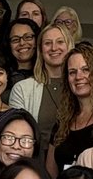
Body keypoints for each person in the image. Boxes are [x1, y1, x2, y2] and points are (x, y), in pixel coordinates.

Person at [9, 21, 72, 152]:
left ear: (70, 46)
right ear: (40, 50)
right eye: (48, 43)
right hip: (35, 163)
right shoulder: (22, 89)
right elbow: (18, 138)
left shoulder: (81, 85)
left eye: (60, 42)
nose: (54, 48)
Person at [49, 43, 93, 175]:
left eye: (86, 70)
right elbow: (50, 175)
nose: (78, 77)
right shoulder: (61, 124)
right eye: (72, 72)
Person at [7, 18, 39, 88]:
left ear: (37, 40)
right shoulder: (2, 76)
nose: (22, 43)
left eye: (28, 37)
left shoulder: (47, 72)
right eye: (15, 39)